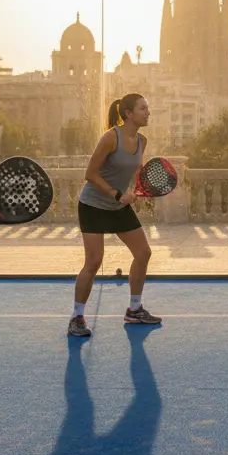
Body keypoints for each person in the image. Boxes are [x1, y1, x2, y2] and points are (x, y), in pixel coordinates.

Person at [69, 93, 162, 337]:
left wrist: (139, 189)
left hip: (118, 206)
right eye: (143, 108)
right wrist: (116, 194)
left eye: (148, 108)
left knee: (143, 253)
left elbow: (137, 171)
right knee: (93, 262)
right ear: (129, 114)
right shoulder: (111, 137)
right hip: (92, 205)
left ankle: (134, 310)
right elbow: (90, 173)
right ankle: (77, 317)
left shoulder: (142, 141)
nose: (148, 112)